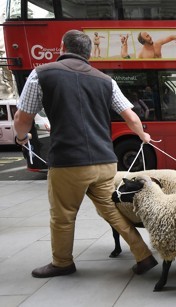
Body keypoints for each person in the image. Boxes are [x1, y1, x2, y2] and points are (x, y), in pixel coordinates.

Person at [14, 30, 158, 278]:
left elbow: (22, 117)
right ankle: (143, 256)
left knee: (63, 216)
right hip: (105, 161)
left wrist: (21, 138)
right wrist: (143, 136)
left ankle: (62, 263)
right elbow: (131, 116)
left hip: (68, 163)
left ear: (62, 46)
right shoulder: (105, 80)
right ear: (88, 53)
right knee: (112, 210)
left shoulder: (42, 74)